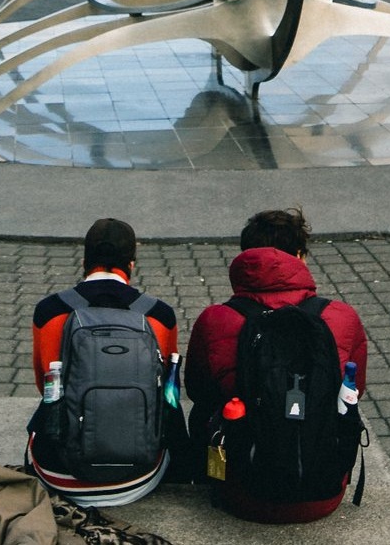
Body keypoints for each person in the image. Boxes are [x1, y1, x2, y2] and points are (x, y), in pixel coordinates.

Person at [185, 207, 370, 523]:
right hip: (323, 494)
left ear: (247, 258)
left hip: (241, 495)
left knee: (206, 407)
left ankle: (210, 477)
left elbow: (197, 390)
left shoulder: (215, 319)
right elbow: (357, 389)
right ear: (300, 256)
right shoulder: (341, 316)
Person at [26, 217, 181, 506]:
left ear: (85, 260)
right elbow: (168, 395)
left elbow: (44, 387)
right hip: (138, 477)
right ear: (131, 265)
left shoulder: (48, 311)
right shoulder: (161, 315)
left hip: (60, 475)